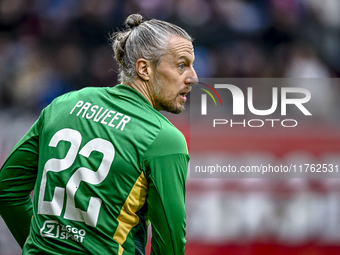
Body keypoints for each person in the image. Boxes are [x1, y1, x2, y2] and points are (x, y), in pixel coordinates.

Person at [0, 13, 197, 255]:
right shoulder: (164, 138)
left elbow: (6, 189)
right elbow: (170, 245)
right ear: (144, 68)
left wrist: (37, 246)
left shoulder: (62, 105)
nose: (193, 77)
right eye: (181, 65)